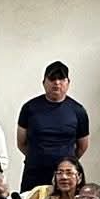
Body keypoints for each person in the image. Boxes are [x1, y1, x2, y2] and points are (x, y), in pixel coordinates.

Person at [17, 61, 90, 191]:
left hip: (65, 177)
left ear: (68, 83)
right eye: (52, 79)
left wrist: (66, 163)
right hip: (34, 173)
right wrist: (38, 157)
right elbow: (21, 143)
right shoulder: (29, 108)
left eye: (61, 79)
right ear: (43, 82)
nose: (57, 83)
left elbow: (82, 146)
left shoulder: (78, 111)